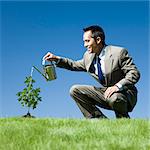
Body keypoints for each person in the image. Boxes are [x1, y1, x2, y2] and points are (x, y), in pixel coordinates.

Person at [44, 25, 140, 119]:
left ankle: (123, 120)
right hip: (106, 92)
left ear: (98, 40)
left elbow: (134, 73)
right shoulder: (88, 57)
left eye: (87, 41)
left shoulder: (118, 53)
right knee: (75, 90)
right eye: (84, 41)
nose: (85, 45)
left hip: (124, 94)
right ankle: (99, 121)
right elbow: (73, 64)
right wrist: (56, 59)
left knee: (115, 98)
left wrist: (117, 86)